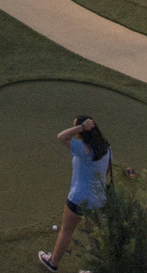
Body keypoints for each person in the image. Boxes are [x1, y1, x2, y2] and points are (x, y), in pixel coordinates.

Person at [41, 114, 112, 271]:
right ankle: (99, 268)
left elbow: (61, 136)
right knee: (95, 236)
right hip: (98, 200)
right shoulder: (106, 148)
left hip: (78, 198)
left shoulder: (83, 150)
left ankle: (53, 263)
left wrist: (80, 127)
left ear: (83, 131)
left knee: (66, 231)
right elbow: (106, 171)